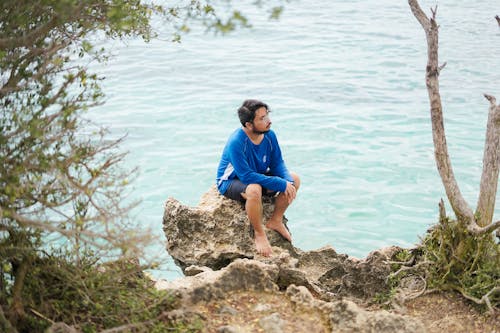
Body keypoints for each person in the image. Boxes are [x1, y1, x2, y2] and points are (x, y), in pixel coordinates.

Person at [216, 99, 300, 257]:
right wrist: (279, 183)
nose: (269, 121)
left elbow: (277, 163)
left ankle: (276, 220)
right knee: (254, 189)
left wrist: (287, 182)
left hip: (257, 176)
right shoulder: (237, 142)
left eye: (267, 116)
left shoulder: (269, 135)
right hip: (231, 181)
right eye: (262, 119)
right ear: (248, 124)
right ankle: (259, 234)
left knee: (294, 179)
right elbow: (246, 176)